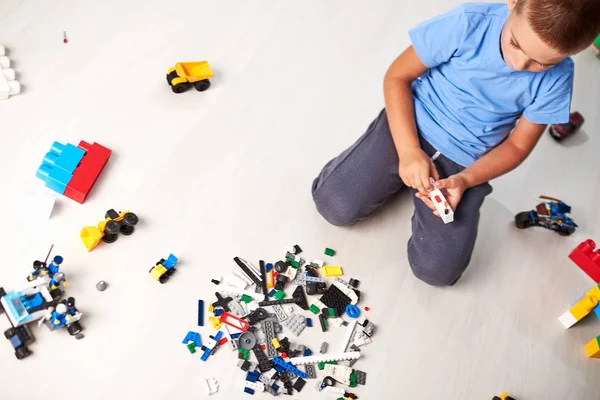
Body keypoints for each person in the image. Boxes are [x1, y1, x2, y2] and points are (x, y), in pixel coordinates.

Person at [311, 1, 600, 286]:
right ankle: (395, 168)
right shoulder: (468, 22)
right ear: (513, 2)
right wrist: (408, 149)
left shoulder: (559, 78)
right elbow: (397, 76)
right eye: (515, 43)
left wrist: (464, 180)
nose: (519, 64)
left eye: (542, 62)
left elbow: (517, 147)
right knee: (333, 205)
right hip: (410, 123)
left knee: (437, 271)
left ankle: (420, 182)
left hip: (466, 163)